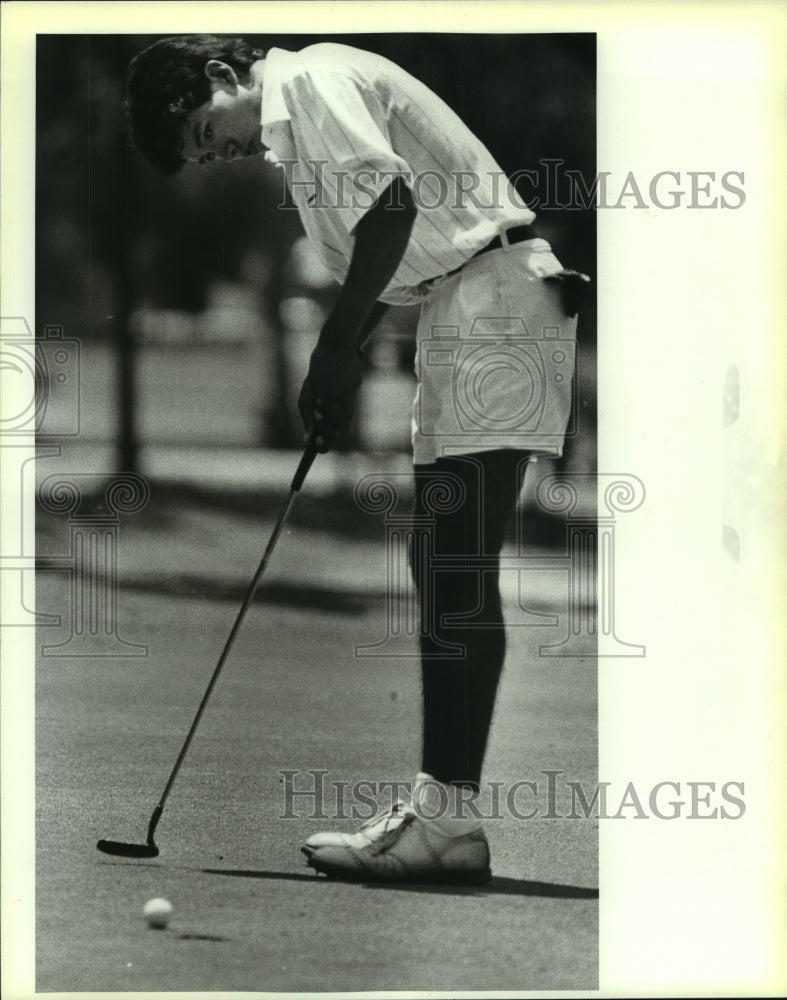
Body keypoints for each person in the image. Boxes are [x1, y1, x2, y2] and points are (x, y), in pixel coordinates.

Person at [125, 35, 588, 885]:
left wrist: (333, 351)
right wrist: (338, 369)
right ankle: (442, 811)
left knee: (453, 556)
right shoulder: (297, 135)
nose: (215, 152)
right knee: (441, 555)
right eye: (200, 153)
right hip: (466, 305)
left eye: (202, 129)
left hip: (494, 300)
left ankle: (446, 822)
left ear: (221, 76)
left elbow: (391, 208)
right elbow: (384, 267)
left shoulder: (309, 80)